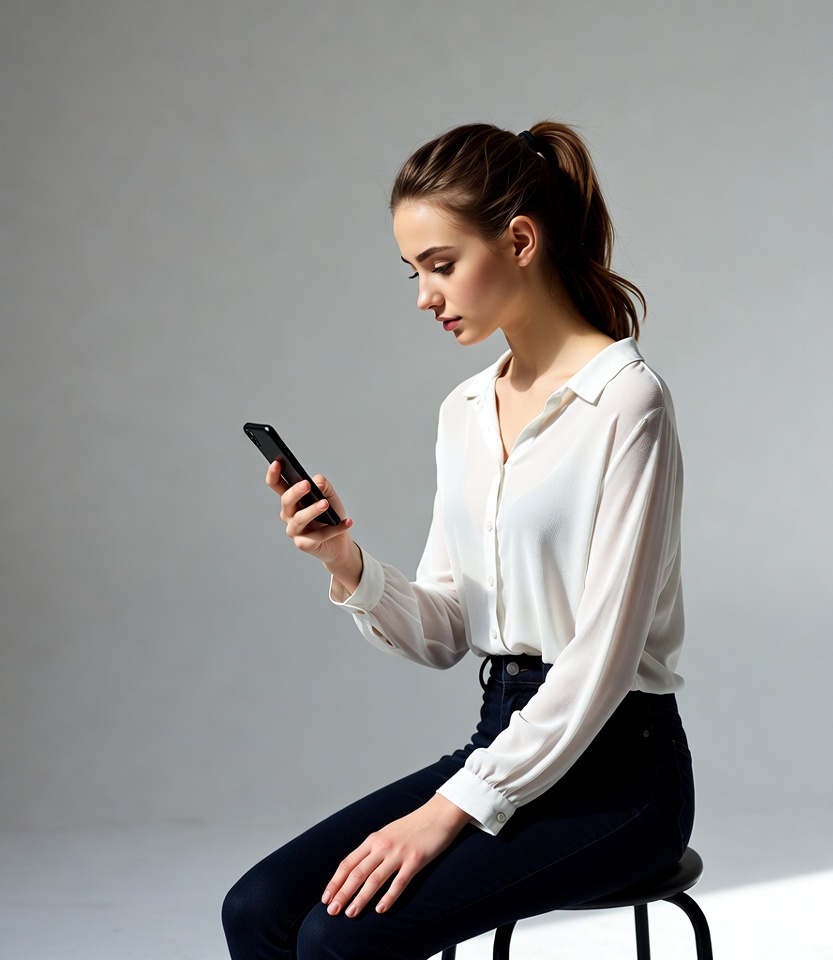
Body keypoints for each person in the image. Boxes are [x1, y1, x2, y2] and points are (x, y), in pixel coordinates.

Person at [222, 121, 694, 960]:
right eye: (413, 272)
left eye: (440, 266)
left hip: (623, 773)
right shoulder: (466, 411)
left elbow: (602, 662)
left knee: (339, 941)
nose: (424, 297)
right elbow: (446, 632)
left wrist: (445, 813)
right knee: (256, 908)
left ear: (519, 241)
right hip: (503, 738)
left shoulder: (627, 403)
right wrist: (347, 565)